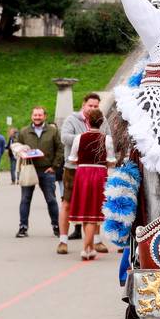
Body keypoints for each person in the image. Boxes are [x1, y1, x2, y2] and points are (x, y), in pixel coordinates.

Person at [59, 93, 107, 253]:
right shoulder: (71, 119)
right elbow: (64, 138)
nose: (93, 108)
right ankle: (63, 241)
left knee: (96, 205)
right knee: (67, 203)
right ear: (83, 105)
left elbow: (108, 138)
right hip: (73, 169)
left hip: (96, 169)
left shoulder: (102, 120)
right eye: (90, 105)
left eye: (96, 106)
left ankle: (97, 241)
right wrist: (88, 138)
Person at [65, 108, 115, 261]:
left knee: (86, 211)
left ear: (87, 121)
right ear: (102, 123)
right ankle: (86, 248)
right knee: (93, 212)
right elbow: (111, 160)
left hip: (82, 174)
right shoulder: (106, 139)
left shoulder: (79, 138)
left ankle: (89, 248)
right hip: (99, 174)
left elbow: (72, 158)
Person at [16, 106, 63, 239]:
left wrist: (54, 167)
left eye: (40, 115)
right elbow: (17, 146)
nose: (37, 117)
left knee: (51, 200)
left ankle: (56, 226)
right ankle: (23, 227)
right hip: (29, 169)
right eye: (35, 115)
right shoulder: (24, 131)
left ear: (45, 116)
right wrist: (20, 150)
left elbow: (60, 149)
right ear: (32, 116)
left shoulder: (53, 131)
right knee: (25, 199)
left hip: (47, 170)